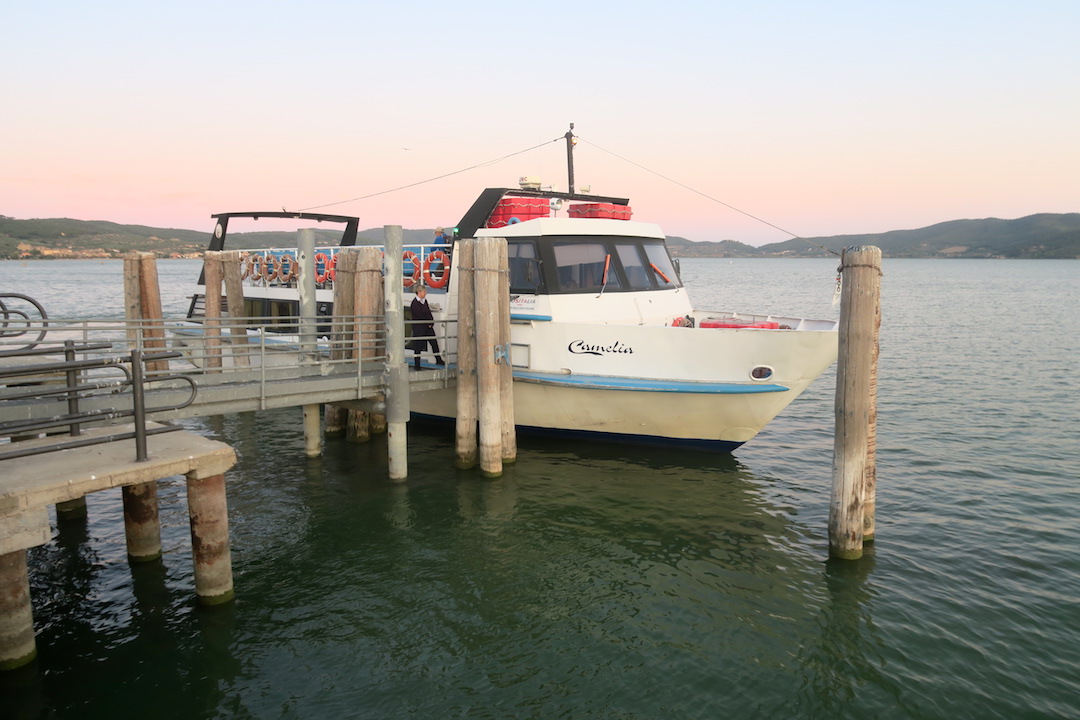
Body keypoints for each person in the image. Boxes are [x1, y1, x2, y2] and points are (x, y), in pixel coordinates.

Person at [409, 285, 444, 369]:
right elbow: (419, 315)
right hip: (419, 328)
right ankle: (417, 365)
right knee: (418, 346)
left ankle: (438, 359)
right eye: (424, 292)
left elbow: (428, 313)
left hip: (428, 327)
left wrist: (431, 322)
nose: (425, 293)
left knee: (434, 343)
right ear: (419, 292)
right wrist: (427, 323)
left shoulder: (424, 301)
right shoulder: (414, 303)